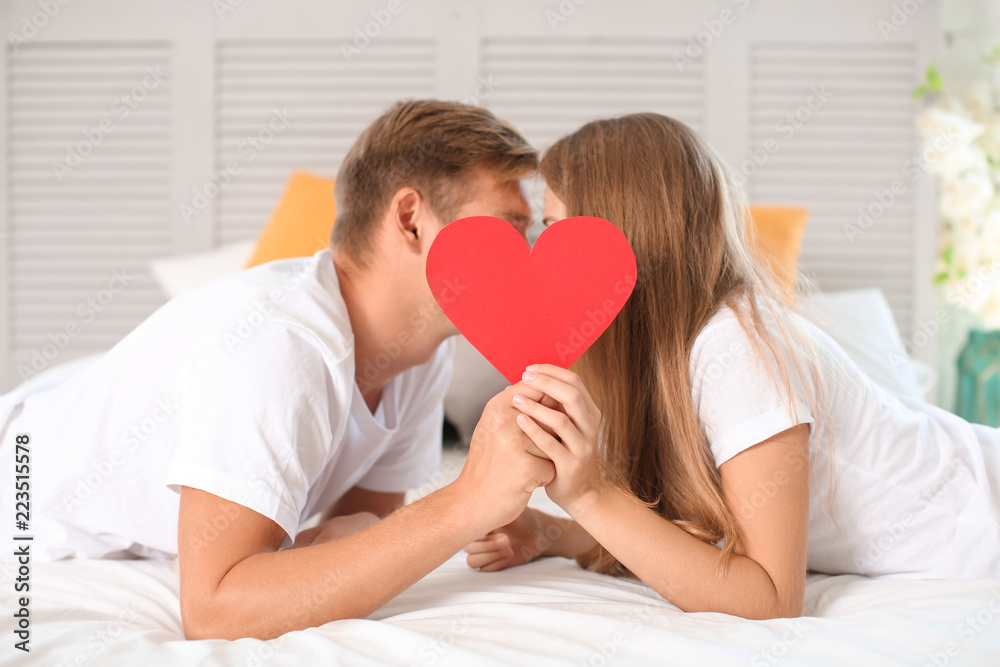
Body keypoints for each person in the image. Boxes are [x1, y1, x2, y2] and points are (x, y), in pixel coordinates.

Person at [0, 99, 556, 640]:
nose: (525, 257)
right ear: (410, 220)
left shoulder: (421, 353)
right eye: (508, 228)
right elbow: (216, 612)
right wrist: (466, 501)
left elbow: (357, 530)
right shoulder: (277, 345)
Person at [463, 113, 1000, 619]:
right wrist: (552, 533)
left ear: (624, 234)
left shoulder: (738, 349)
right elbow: (689, 536)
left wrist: (588, 493)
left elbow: (768, 597)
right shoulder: (668, 356)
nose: (544, 256)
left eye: (558, 228)